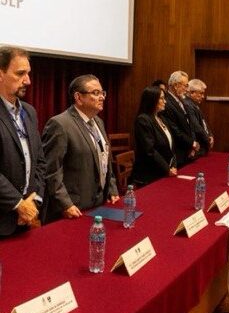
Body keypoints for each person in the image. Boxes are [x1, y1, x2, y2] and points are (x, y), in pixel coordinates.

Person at [41, 75, 119, 222]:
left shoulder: (98, 122)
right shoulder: (60, 124)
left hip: (98, 204)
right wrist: (65, 204)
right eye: (95, 93)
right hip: (73, 209)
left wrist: (111, 188)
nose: (102, 97)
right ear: (78, 97)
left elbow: (105, 160)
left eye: (103, 93)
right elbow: (52, 170)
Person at [0, 46, 44, 236]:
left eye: (28, 73)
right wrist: (18, 204)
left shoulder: (30, 112)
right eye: (20, 74)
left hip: (26, 219)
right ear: (0, 74)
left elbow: (40, 162)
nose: (28, 80)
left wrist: (34, 201)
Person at [130, 86, 177, 187]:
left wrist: (173, 165)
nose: (165, 101)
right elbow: (149, 150)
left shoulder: (161, 118)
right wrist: (167, 169)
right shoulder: (143, 120)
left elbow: (171, 146)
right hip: (148, 175)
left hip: (163, 172)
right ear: (152, 100)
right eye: (161, 98)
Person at [161, 71, 198, 167]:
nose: (187, 89)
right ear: (176, 85)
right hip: (179, 153)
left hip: (188, 152)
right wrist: (191, 144)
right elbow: (174, 130)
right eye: (185, 86)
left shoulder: (182, 100)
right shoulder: (167, 103)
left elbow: (190, 125)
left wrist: (192, 146)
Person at [183, 78, 214, 157]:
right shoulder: (187, 104)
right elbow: (196, 126)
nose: (203, 96)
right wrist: (207, 139)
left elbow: (204, 123)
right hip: (198, 147)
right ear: (191, 92)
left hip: (203, 146)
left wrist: (210, 135)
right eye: (201, 93)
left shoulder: (194, 104)